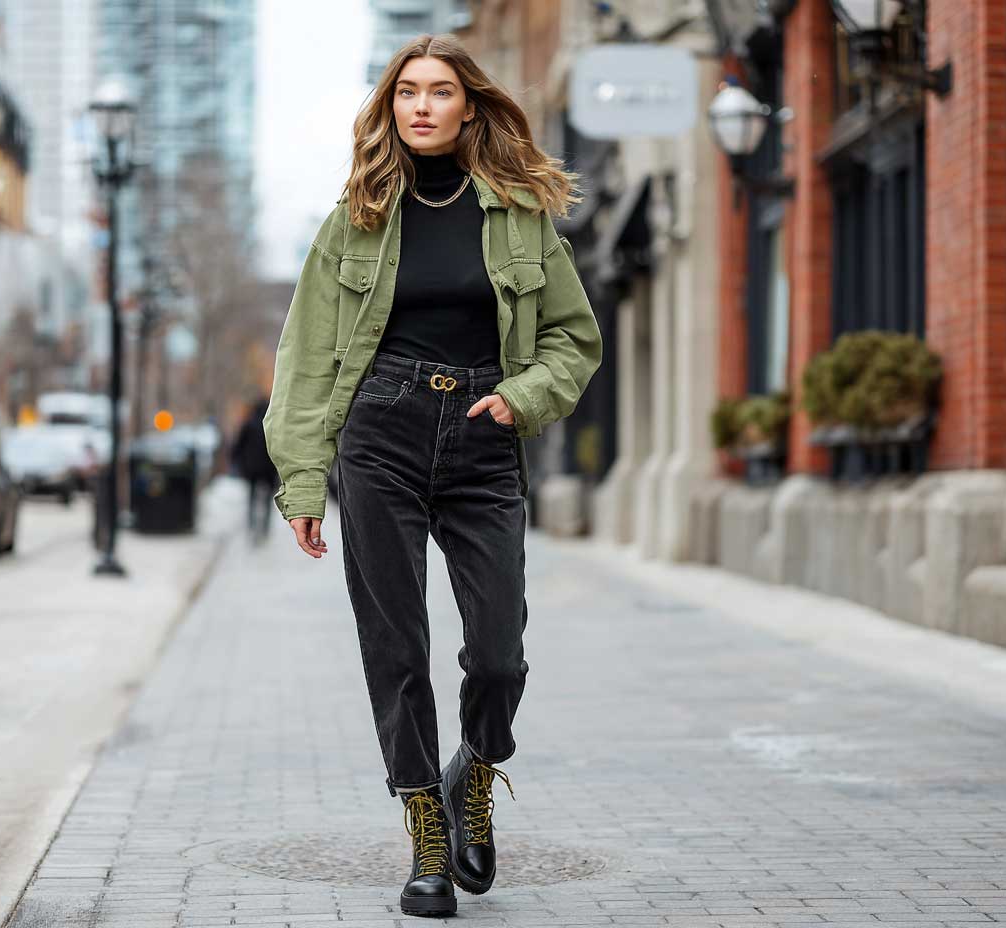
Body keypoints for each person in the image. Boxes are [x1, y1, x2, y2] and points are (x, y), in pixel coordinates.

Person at [262, 33, 602, 919]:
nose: (421, 105)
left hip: (487, 432)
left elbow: (576, 339)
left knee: (498, 653)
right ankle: (425, 833)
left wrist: (523, 397)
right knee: (396, 647)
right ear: (390, 107)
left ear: (468, 106)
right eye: (406, 91)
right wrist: (304, 483)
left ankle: (474, 773)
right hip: (381, 432)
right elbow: (304, 358)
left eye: (439, 91)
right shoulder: (355, 220)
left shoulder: (520, 213)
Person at [229, 397, 277, 543]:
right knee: (268, 500)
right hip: (269, 469)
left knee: (252, 498)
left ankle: (251, 526)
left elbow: (237, 446)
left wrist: (237, 461)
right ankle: (265, 528)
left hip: (252, 469)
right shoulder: (273, 425)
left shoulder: (249, 425)